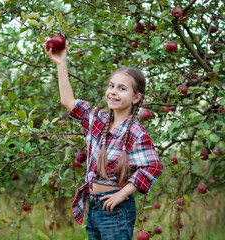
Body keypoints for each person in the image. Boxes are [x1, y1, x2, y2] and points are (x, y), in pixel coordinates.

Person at [45, 42, 163, 240]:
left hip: (116, 209)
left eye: (122, 88)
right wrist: (61, 64)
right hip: (94, 206)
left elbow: (153, 167)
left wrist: (122, 194)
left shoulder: (136, 133)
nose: (113, 91)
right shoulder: (98, 121)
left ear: (136, 98)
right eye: (111, 86)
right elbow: (68, 102)